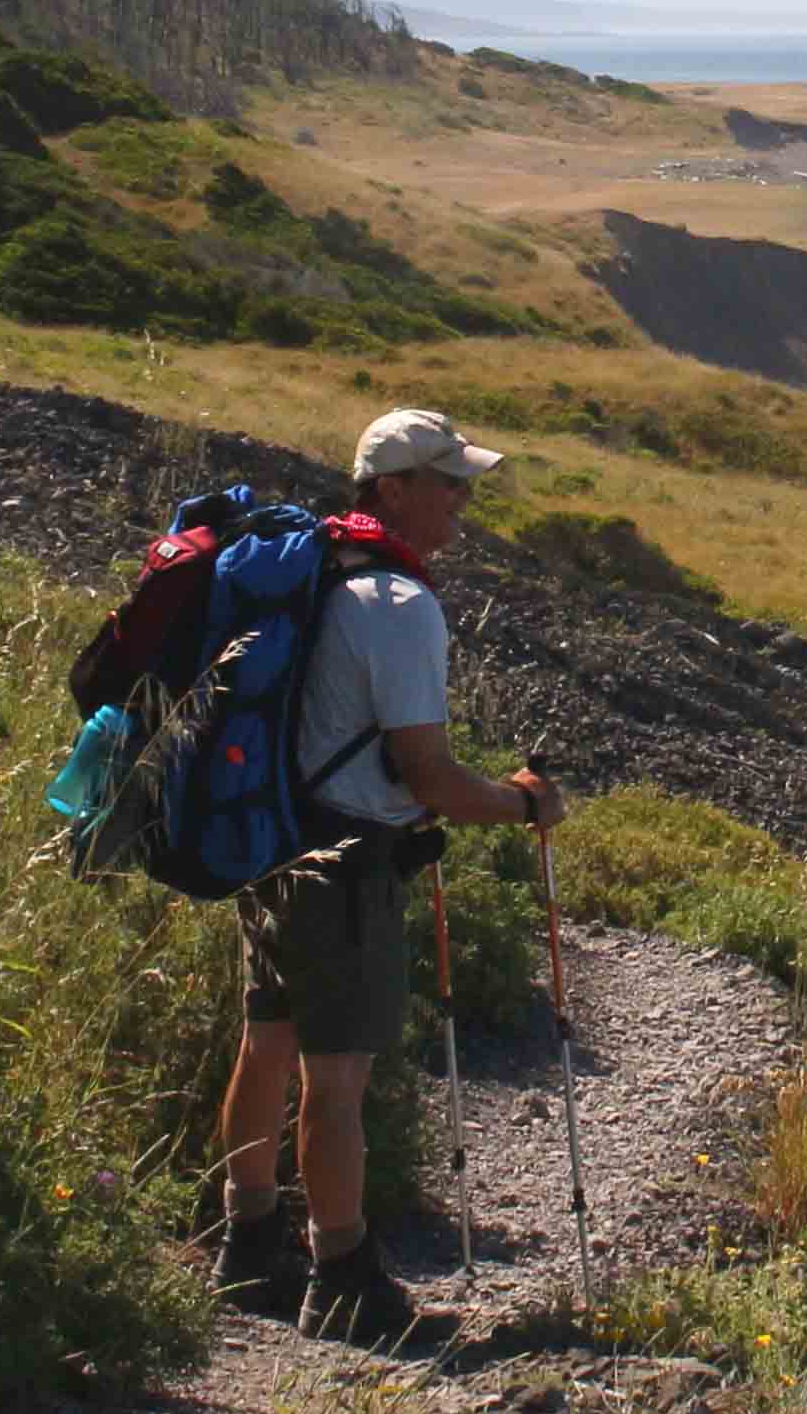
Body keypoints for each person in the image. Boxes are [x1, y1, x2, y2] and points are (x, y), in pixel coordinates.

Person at [213, 405, 563, 1341]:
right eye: (449, 484)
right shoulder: (399, 605)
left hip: (271, 841)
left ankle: (247, 1246)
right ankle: (343, 1277)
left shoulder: (312, 573)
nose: (462, 502)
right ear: (394, 490)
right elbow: (430, 779)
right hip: (347, 862)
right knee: (335, 1082)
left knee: (265, 1045)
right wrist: (524, 804)